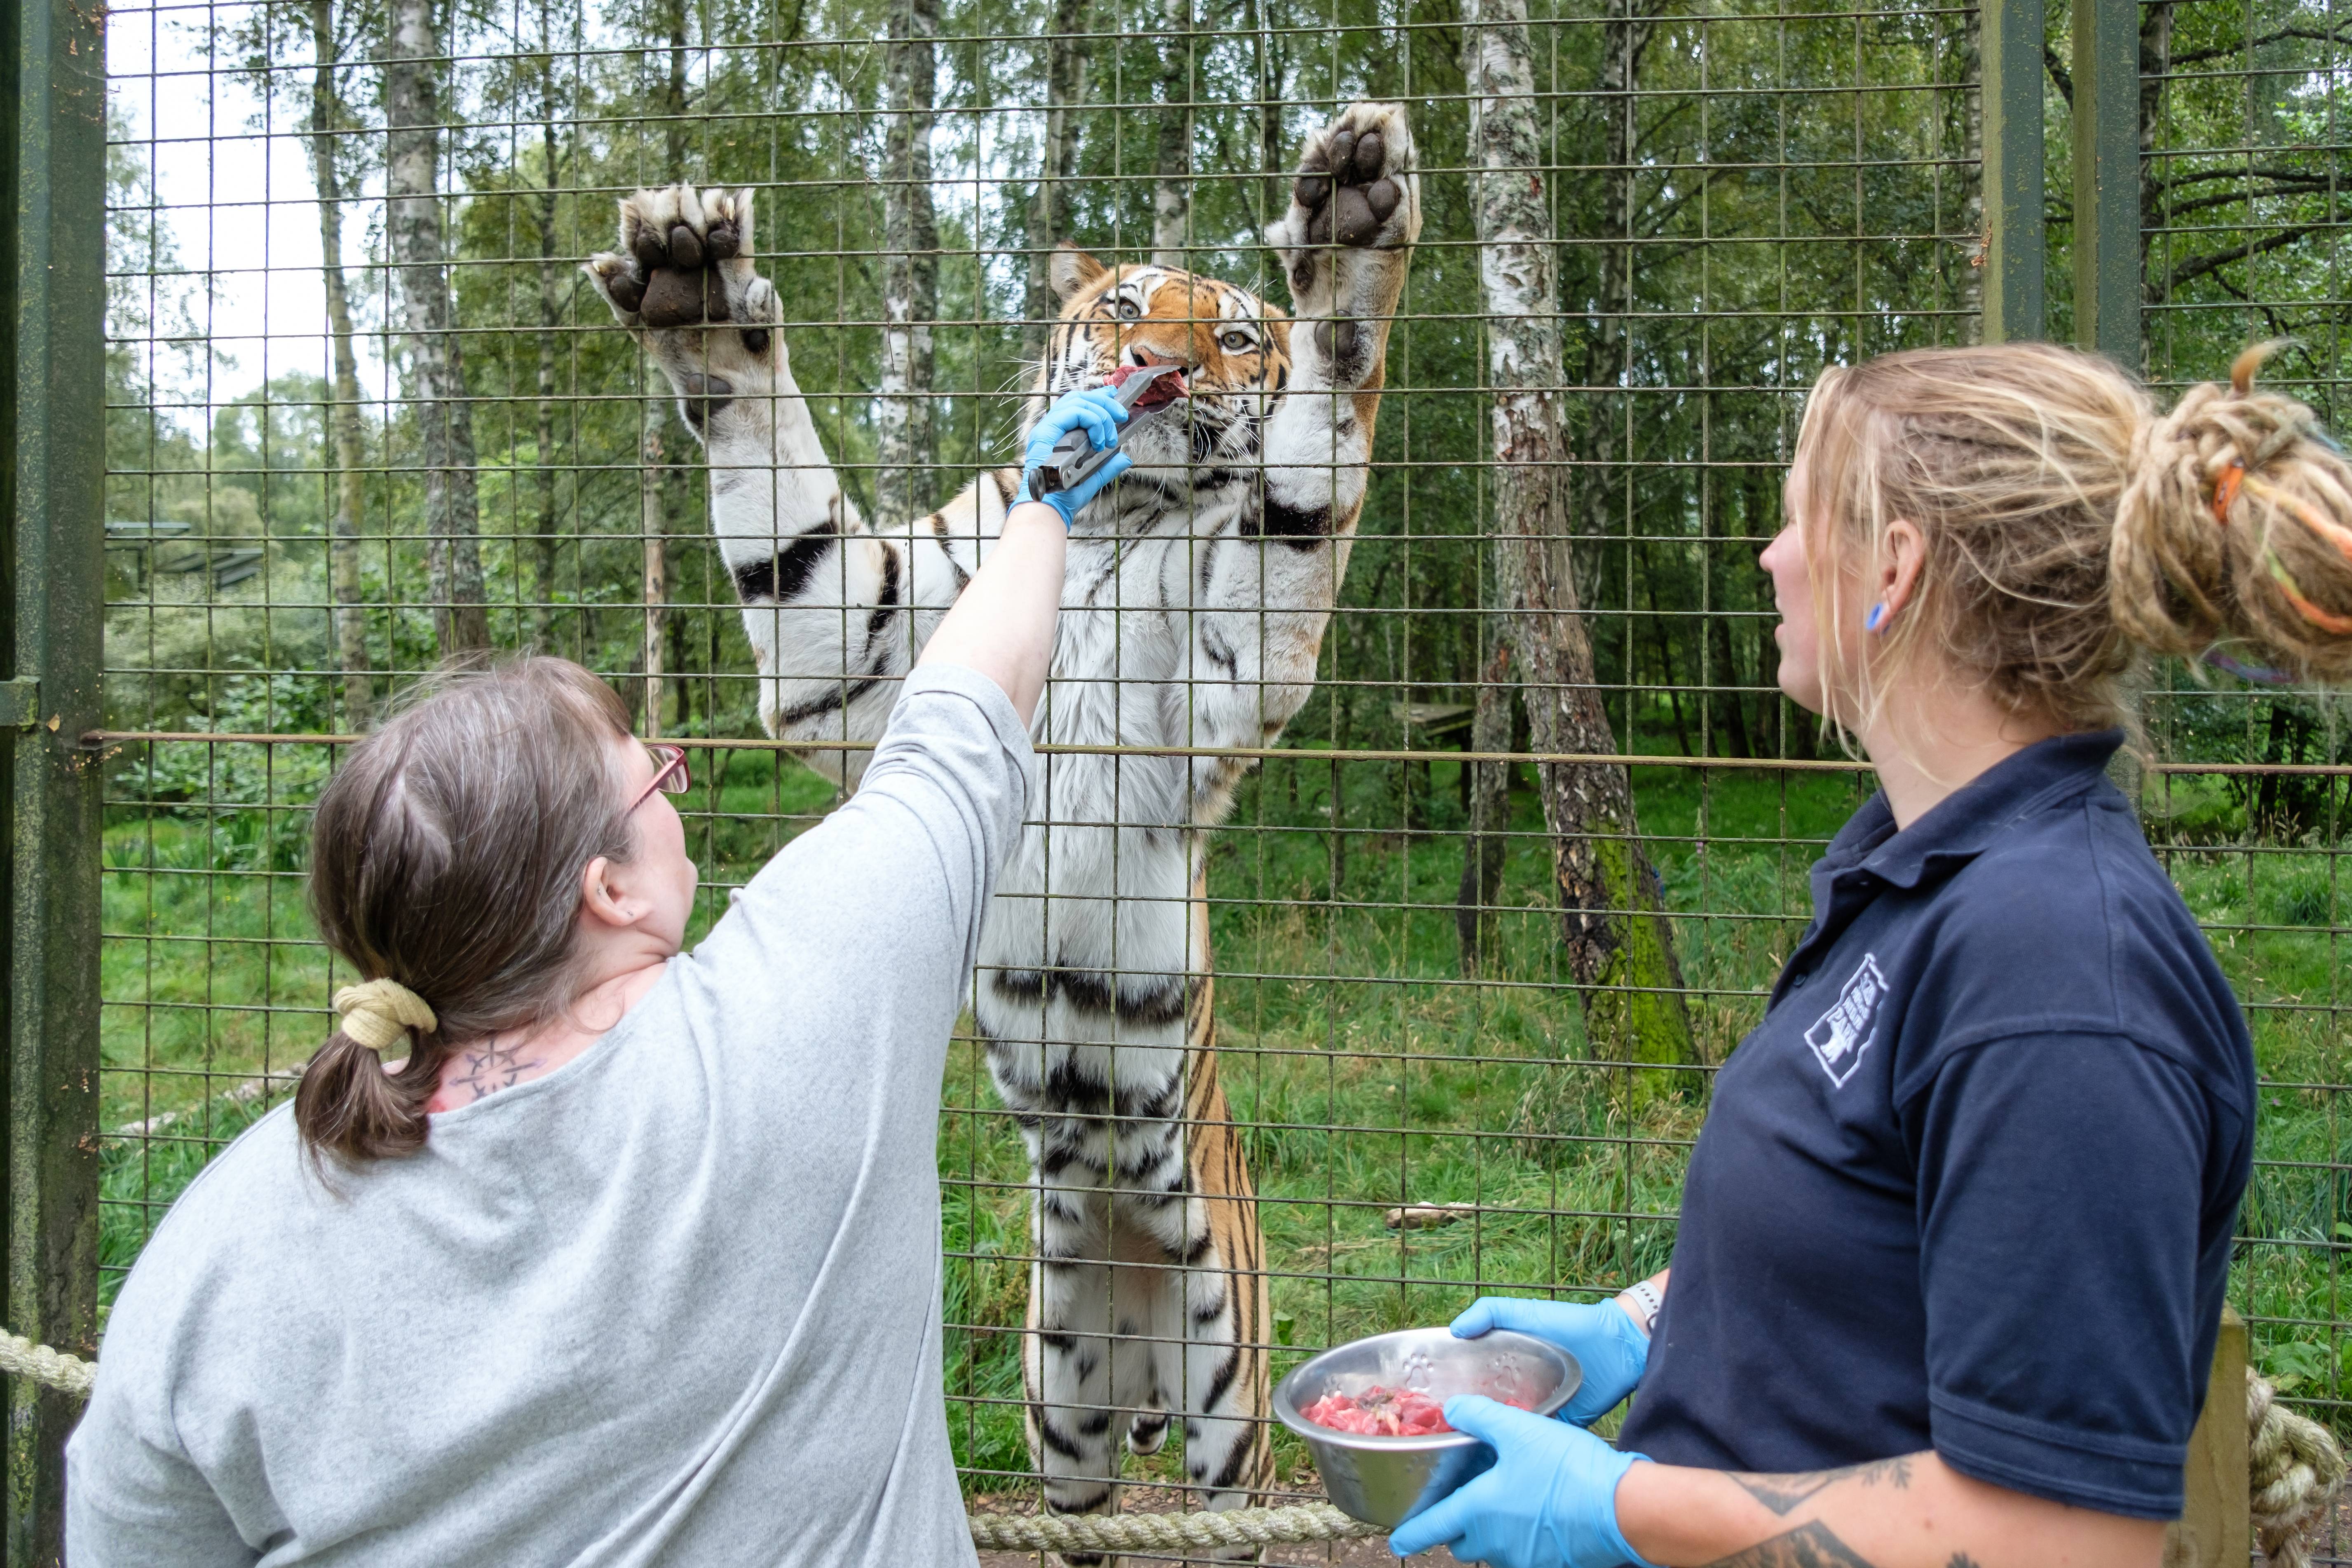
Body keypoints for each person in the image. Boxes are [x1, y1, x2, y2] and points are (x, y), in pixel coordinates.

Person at [64, 386, 1136, 1565]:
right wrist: (1041, 509)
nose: (677, 785)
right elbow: (957, 722)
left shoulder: (214, 1250)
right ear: (607, 891)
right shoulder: (805, 1016)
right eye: (653, 776)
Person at [1391, 342, 2352, 1568]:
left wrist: (1622, 1512)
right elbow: (1879, 1233)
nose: (1767, 556)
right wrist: (1633, 1327)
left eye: (1792, 517)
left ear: (1891, 567)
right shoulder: (1919, 875)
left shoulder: (2055, 977)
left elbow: (2060, 1543)